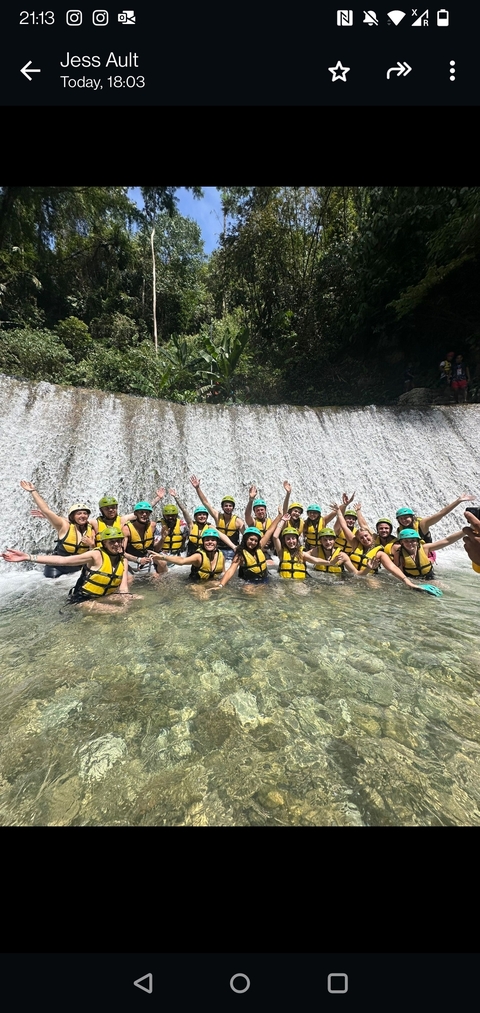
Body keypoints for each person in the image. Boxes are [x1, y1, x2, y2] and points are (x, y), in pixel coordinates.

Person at [1, 528, 142, 612]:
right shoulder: (95, 555)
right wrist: (28, 557)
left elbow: (123, 588)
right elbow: (63, 560)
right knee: (119, 611)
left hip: (101, 596)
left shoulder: (123, 559)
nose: (116, 544)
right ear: (104, 543)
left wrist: (126, 600)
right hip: (82, 600)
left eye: (119, 540)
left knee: (139, 599)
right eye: (112, 541)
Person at [20, 479, 96, 578]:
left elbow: (95, 551)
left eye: (85, 513)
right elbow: (46, 510)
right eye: (79, 513)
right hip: (57, 566)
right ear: (72, 516)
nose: (83, 516)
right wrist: (33, 491)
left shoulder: (92, 528)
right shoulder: (63, 526)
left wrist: (91, 544)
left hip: (78, 566)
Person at [210, 517, 282, 588]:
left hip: (265, 580)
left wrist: (280, 516)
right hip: (249, 582)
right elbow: (231, 570)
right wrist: (221, 585)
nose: (253, 542)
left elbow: (269, 531)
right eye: (251, 539)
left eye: (255, 541)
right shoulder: (240, 554)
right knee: (249, 591)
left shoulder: (259, 547)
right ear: (245, 539)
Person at [189, 476, 245, 559]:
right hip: (217, 549)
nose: (228, 507)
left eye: (230, 506)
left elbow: (247, 536)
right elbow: (205, 503)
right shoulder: (217, 516)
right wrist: (197, 488)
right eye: (226, 506)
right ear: (222, 507)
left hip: (232, 550)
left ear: (233, 507)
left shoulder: (238, 521)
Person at [152, 527, 225, 582]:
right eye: (207, 540)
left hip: (211, 583)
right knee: (203, 597)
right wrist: (162, 557)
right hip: (196, 584)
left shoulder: (221, 556)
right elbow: (182, 561)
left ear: (217, 542)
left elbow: (223, 573)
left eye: (213, 540)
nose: (210, 542)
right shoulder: (198, 556)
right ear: (203, 542)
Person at [395, 495, 474, 544]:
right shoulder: (399, 530)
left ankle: (470, 529)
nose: (404, 520)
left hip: (426, 552)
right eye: (401, 519)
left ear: (412, 517)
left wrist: (458, 501)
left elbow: (441, 513)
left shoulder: (422, 524)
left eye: (406, 518)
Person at [391, 526, 465, 579]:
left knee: (444, 588)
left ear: (417, 541)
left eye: (413, 540)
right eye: (406, 541)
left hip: (428, 577)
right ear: (401, 542)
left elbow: (447, 541)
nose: (410, 543)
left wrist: (465, 531)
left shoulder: (425, 548)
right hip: (412, 578)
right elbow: (399, 571)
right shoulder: (399, 553)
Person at [122, 502, 165, 577]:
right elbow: (121, 552)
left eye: (147, 513)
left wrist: (163, 538)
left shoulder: (152, 526)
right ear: (135, 514)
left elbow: (156, 549)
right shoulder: (126, 529)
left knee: (157, 577)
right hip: (131, 561)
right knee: (129, 580)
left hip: (147, 560)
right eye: (141, 512)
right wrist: (138, 560)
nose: (144, 514)